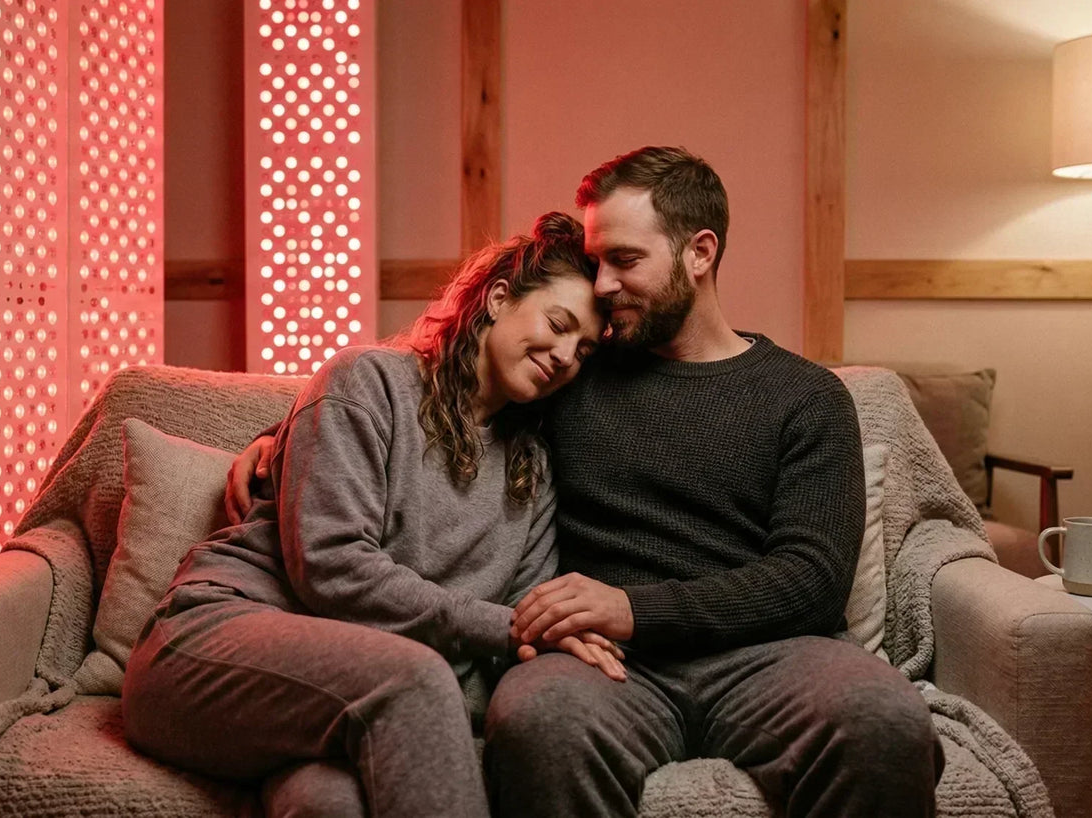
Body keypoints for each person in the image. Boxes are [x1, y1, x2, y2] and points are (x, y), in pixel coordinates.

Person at [231, 147, 945, 817]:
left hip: (775, 658)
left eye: (624, 261)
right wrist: (281, 439)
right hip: (601, 664)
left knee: (884, 720)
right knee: (539, 720)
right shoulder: (570, 374)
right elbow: (433, 388)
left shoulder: (806, 397)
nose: (602, 286)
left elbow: (812, 578)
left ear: (700, 253)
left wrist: (633, 608)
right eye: (598, 263)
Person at [121, 212, 616, 818]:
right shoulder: (369, 382)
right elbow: (333, 566)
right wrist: (507, 630)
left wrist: (539, 634)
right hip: (211, 642)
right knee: (412, 680)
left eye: (585, 349)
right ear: (497, 298)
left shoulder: (531, 470)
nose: (565, 354)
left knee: (328, 805)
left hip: (340, 696)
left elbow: (523, 620)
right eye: (558, 323)